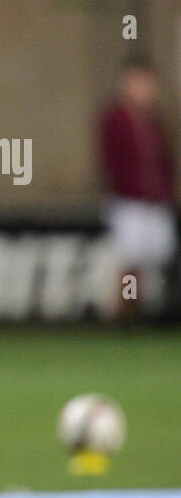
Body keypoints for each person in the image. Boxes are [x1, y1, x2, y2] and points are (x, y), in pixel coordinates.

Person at [98, 56, 177, 318]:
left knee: (157, 258)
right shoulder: (116, 118)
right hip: (129, 202)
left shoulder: (153, 119)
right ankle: (125, 315)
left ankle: (154, 313)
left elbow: (164, 161)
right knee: (130, 259)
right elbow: (111, 161)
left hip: (156, 202)